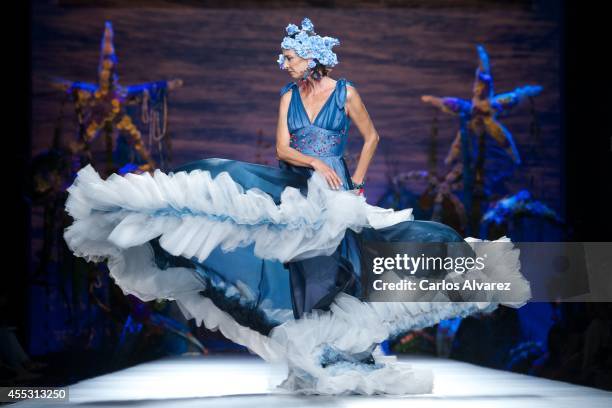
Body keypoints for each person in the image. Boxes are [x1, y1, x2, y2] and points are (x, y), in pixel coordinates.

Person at [63, 17, 531, 395]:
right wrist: (314, 163)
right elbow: (283, 149)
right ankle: (314, 360)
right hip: (300, 186)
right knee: (256, 219)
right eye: (283, 57)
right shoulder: (287, 95)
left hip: (339, 194)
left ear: (311, 57)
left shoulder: (346, 93)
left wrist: (358, 179)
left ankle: (352, 352)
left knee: (348, 264)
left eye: (287, 56)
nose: (282, 63)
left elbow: (372, 138)